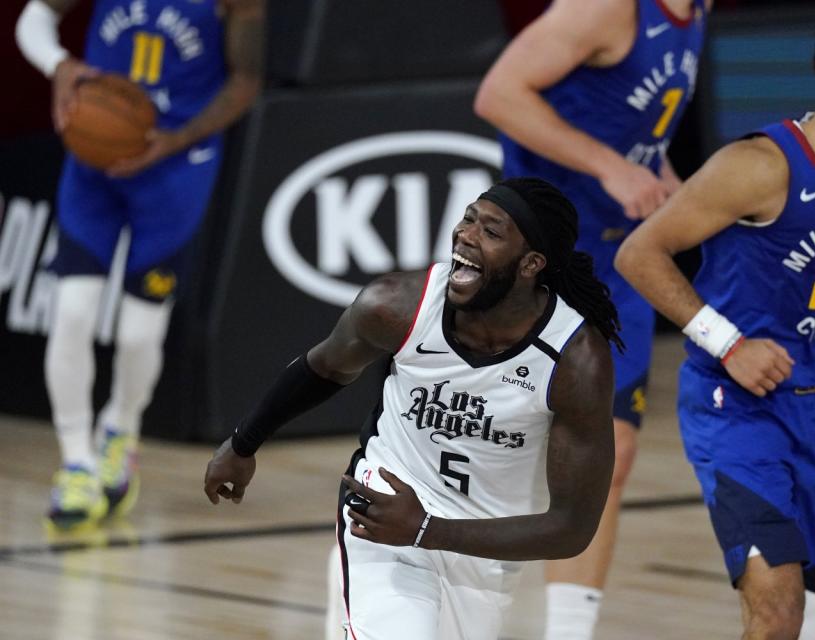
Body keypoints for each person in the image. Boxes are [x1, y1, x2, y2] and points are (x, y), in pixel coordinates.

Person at [614, 10, 815, 639]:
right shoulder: (759, 164)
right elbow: (638, 254)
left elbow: (806, 262)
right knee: (778, 605)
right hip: (738, 407)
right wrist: (728, 345)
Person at [204, 178, 621, 640]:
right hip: (381, 516)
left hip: (480, 551)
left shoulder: (574, 360)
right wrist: (243, 443)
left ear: (531, 264)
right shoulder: (398, 306)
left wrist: (428, 530)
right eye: (468, 218)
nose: (465, 234)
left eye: (491, 231)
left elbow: (572, 529)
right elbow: (323, 368)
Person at [474, 1, 709, 637]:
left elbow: (641, 139)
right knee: (490, 459)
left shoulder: (694, 13)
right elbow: (499, 95)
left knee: (613, 452)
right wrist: (609, 166)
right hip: (541, 260)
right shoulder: (606, 7)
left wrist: (691, 198)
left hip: (617, 261)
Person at [15, 0, 263, 531]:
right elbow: (35, 14)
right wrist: (58, 64)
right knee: (72, 313)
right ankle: (76, 462)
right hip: (94, 163)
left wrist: (176, 139)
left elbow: (245, 83)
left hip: (175, 167)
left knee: (136, 334)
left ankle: (121, 431)